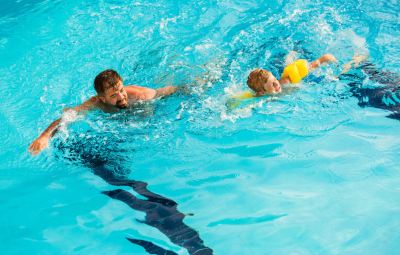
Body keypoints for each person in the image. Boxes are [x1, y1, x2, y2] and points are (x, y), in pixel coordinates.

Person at [29, 69, 178, 155]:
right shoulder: (96, 103)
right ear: (102, 98)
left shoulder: (141, 95)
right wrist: (44, 137)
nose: (121, 97)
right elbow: (68, 116)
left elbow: (169, 90)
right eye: (113, 95)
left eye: (121, 90)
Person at [246, 53, 337, 96]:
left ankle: (291, 55)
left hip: (300, 76)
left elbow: (316, 63)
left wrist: (326, 59)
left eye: (275, 80)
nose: (277, 84)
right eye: (272, 85)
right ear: (262, 92)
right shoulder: (259, 96)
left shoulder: (285, 82)